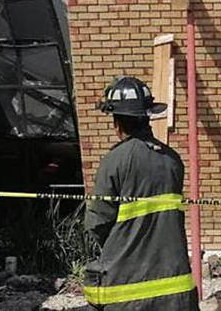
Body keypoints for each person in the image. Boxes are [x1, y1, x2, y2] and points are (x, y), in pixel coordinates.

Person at [84, 76, 198, 310]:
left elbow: (97, 222)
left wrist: (120, 244)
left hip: (127, 290)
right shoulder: (172, 160)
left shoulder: (115, 160)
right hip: (175, 290)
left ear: (117, 123)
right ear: (147, 116)